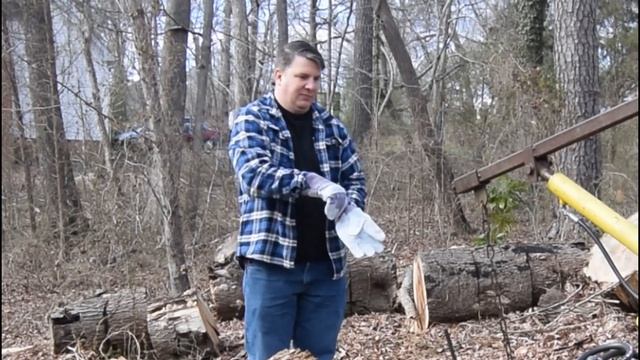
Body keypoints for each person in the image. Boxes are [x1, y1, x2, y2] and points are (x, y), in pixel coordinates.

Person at [228, 40, 381, 360]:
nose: (311, 86)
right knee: (268, 356)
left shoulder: (331, 127)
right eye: (302, 77)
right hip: (271, 265)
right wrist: (311, 182)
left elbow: (354, 177)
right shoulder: (252, 120)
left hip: (326, 268)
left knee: (320, 355)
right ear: (279, 75)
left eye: (316, 79)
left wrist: (349, 207)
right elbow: (254, 175)